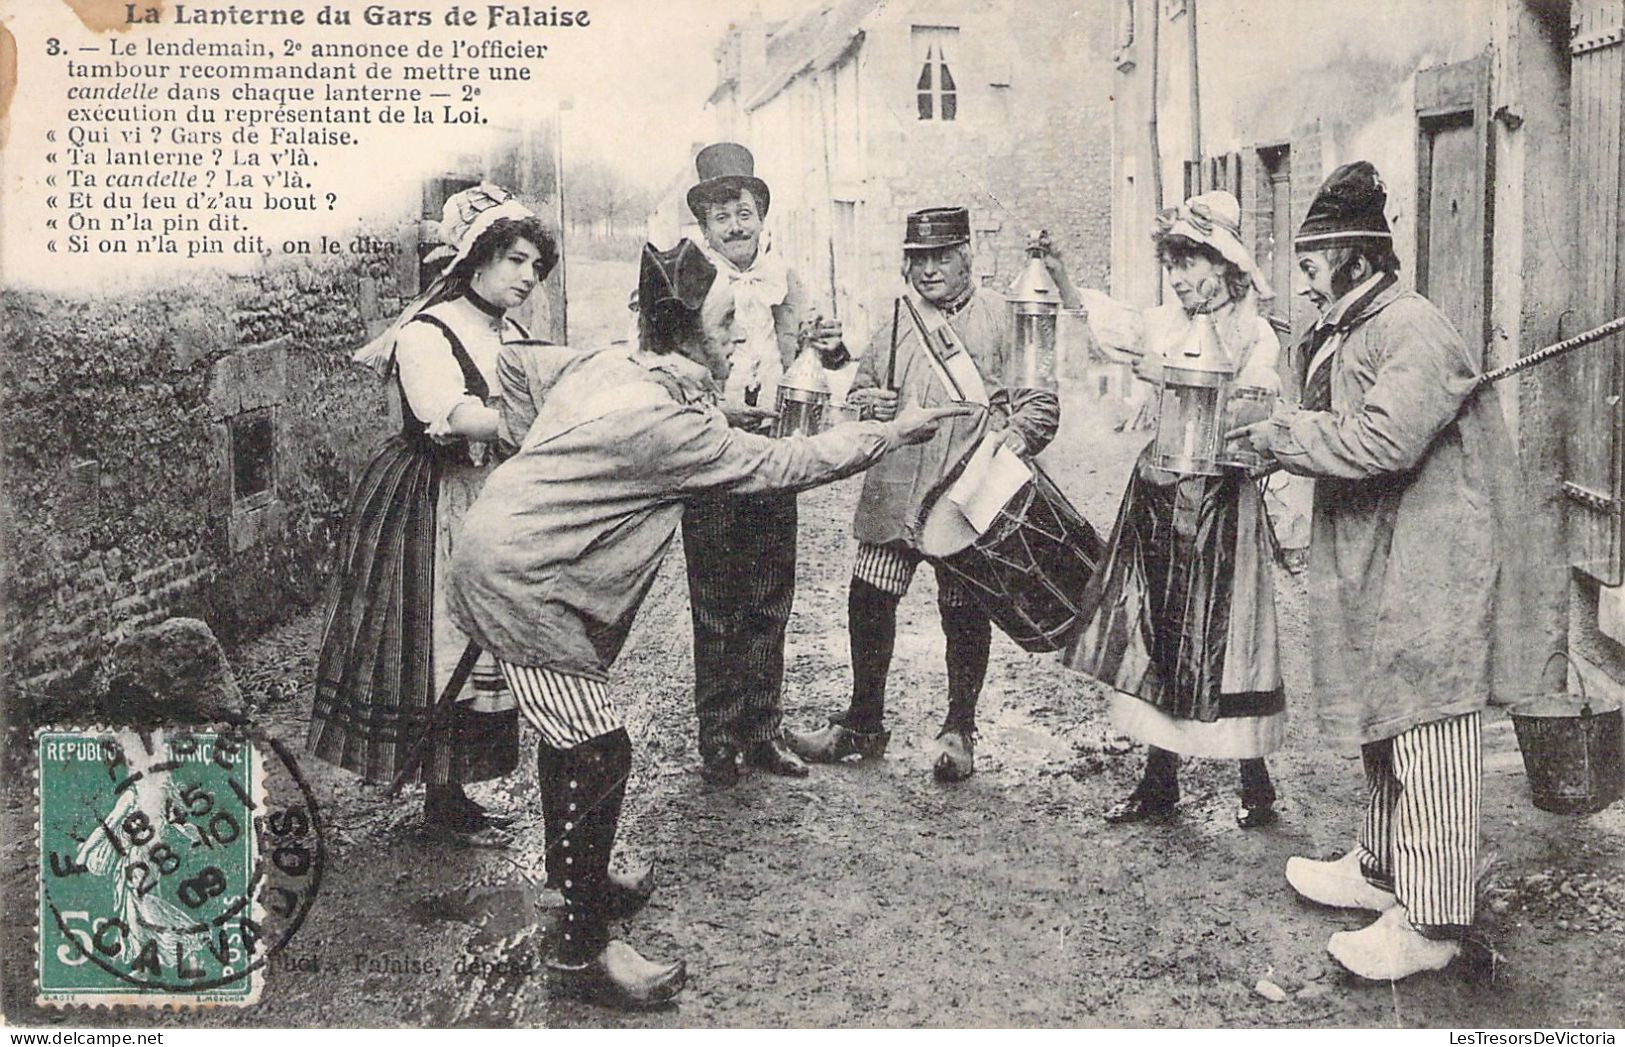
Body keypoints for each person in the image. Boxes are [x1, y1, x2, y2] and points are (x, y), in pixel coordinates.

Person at [445, 240, 967, 1008]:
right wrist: (890, 433)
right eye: (724, 323)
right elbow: (784, 467)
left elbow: (518, 372)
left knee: (573, 735)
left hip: (502, 555)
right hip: (525, 588)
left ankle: (575, 875)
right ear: (685, 333)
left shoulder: (602, 366)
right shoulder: (668, 428)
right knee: (599, 745)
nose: (734, 335)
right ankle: (583, 948)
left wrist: (536, 464)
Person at [1229, 161, 1530, 980]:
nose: (1302, 276)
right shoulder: (1354, 326)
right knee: (1380, 713)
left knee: (1427, 721)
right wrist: (1279, 428)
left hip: (1432, 562)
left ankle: (1434, 919)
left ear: (1355, 257)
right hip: (1378, 557)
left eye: (1311, 258)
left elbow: (1382, 442)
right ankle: (1382, 868)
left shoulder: (1413, 329)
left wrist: (1278, 438)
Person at [308, 184, 554, 847]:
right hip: (431, 500)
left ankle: (457, 792)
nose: (528, 277)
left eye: (535, 265)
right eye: (516, 261)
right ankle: (439, 799)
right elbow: (447, 416)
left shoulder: (516, 334)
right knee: (436, 642)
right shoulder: (425, 333)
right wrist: (529, 422)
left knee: (482, 643)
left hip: (492, 496)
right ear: (476, 260)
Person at [785, 206, 1061, 782]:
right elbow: (863, 389)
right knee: (869, 595)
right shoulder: (897, 318)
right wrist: (872, 403)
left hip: (966, 489)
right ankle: (863, 721)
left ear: (967, 257)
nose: (930, 271)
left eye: (942, 257)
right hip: (898, 480)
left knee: (962, 606)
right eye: (919, 260)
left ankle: (959, 729)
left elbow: (1041, 405)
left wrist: (1008, 443)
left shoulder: (1003, 318)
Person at [1058, 191, 1287, 829]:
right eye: (1175, 266)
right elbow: (1114, 333)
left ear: (1227, 265)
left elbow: (1257, 410)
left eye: (1194, 264)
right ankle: (1159, 781)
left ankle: (1255, 779)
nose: (1182, 280)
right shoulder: (1163, 324)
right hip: (1161, 499)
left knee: (1227, 634)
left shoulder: (1252, 333)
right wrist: (1058, 274)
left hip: (1220, 506)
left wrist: (1204, 395)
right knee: (1160, 625)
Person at [679, 142, 843, 786]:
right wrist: (716, 408)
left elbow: (829, 365)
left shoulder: (789, 279)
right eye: (721, 216)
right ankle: (718, 736)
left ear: (762, 215)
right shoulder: (686, 282)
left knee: (770, 597)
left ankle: (764, 729)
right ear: (704, 228)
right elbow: (661, 367)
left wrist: (830, 348)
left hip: (774, 457)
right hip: (714, 458)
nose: (735, 226)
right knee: (717, 599)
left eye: (744, 211)